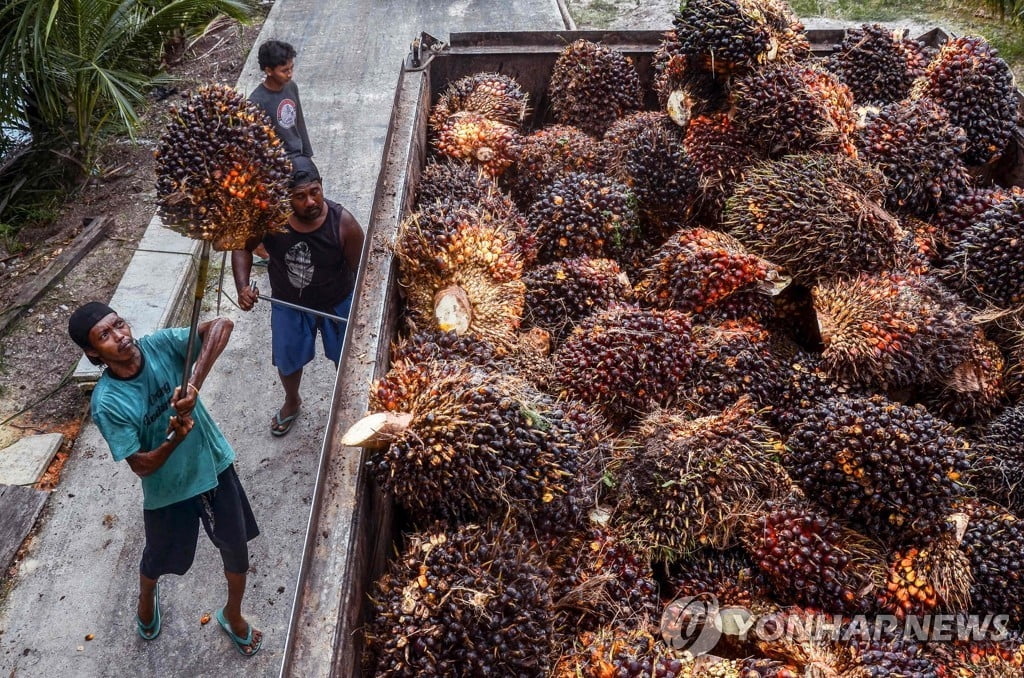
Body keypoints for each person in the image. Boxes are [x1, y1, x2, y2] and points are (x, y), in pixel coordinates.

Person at [67, 302, 263, 656]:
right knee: (159, 557)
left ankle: (232, 614)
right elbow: (140, 465)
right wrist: (173, 440)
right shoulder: (107, 403)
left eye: (119, 324)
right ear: (93, 352)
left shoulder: (159, 345)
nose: (120, 337)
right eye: (105, 336)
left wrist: (193, 384)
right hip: (168, 490)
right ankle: (146, 596)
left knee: (236, 550)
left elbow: (223, 324)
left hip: (213, 465)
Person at [232, 160, 364, 436]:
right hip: (289, 305)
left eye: (315, 192)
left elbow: (363, 271)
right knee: (287, 361)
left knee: (348, 360)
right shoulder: (271, 221)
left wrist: (358, 310)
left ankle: (349, 406)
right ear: (285, 196)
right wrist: (242, 286)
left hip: (336, 303)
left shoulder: (345, 225)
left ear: (322, 185)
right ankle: (292, 401)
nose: (310, 201)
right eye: (300, 196)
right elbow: (242, 247)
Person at [249, 39, 313, 161]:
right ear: (268, 71)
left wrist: (307, 155)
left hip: (298, 155)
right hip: (278, 162)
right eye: (284, 71)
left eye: (291, 68)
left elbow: (299, 122)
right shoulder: (256, 102)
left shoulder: (291, 86)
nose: (290, 74)